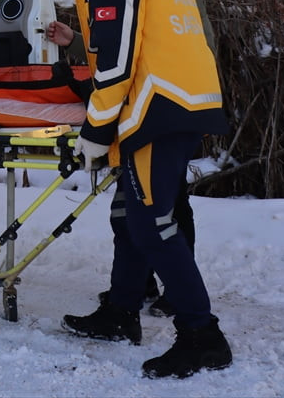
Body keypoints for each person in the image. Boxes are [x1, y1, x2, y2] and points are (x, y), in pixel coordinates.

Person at [55, 0, 232, 379]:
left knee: (153, 225)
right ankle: (120, 311)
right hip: (178, 104)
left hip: (156, 112)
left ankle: (203, 336)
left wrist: (95, 131)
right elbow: (130, 45)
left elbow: (115, 68)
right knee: (129, 215)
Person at [46, 21, 196, 317]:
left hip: (161, 110)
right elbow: (124, 44)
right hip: (149, 109)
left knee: (158, 212)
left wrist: (98, 130)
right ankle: (139, 287)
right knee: (143, 210)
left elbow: (130, 53)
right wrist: (75, 42)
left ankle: (174, 298)